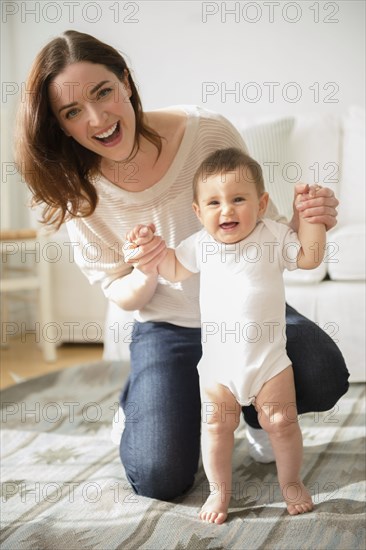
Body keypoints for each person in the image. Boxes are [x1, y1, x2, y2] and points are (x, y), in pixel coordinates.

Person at [15, 29, 349, 504]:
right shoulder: (79, 191)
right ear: (61, 125)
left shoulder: (206, 132)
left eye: (103, 92)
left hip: (250, 323)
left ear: (126, 83)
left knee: (322, 372)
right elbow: (121, 293)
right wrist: (148, 268)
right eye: (72, 112)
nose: (97, 118)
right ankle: (142, 404)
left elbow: (263, 230)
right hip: (165, 327)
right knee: (159, 476)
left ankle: (254, 414)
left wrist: (307, 222)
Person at [124, 147, 322, 523]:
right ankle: (219, 492)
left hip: (269, 362)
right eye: (213, 203)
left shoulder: (273, 235)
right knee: (216, 426)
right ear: (198, 213)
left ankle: (292, 482)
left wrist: (311, 218)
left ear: (261, 204)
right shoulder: (199, 245)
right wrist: (148, 249)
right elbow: (172, 268)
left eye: (238, 199)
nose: (226, 210)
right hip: (217, 368)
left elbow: (309, 257)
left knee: (282, 422)